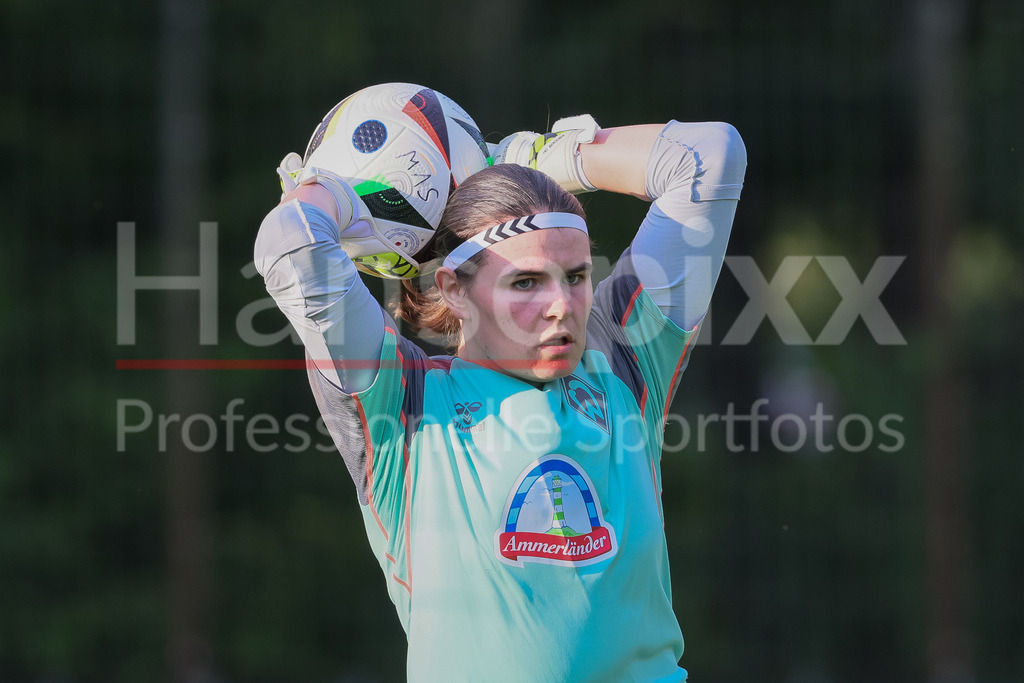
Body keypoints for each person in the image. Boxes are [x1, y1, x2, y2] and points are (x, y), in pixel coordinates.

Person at [255, 112, 746, 681]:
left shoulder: (625, 363)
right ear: (454, 291)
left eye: (577, 276)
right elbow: (292, 242)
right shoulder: (401, 405)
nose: (563, 304)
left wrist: (532, 157)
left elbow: (708, 155)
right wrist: (331, 185)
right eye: (527, 282)